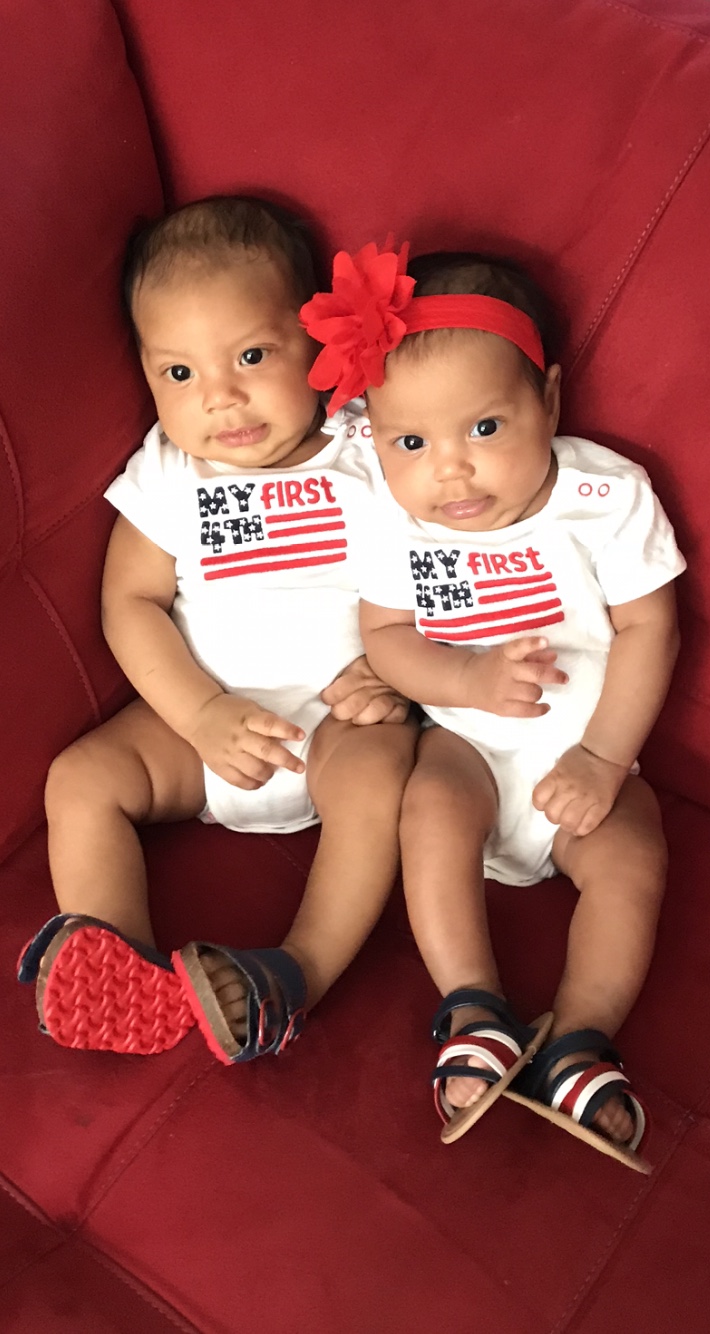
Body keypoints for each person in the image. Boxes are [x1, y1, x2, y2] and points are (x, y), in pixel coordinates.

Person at [299, 240, 685, 1170]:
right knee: (428, 809)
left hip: (588, 747)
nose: (452, 473)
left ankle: (580, 1039)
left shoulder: (603, 496)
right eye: (412, 443)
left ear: (547, 400)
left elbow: (651, 629)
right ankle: (474, 1007)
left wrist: (602, 758)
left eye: (484, 428)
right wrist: (467, 683)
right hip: (469, 745)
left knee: (634, 859)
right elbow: (388, 636)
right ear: (376, 438)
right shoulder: (395, 519)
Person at [18, 199, 416, 1063]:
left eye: (251, 355)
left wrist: (403, 674)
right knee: (81, 779)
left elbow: (440, 563)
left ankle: (295, 973)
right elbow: (130, 603)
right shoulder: (168, 474)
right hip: (200, 727)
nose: (220, 396)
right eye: (179, 372)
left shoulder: (370, 451)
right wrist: (199, 715)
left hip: (338, 726)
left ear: (315, 342)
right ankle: (113, 961)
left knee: (385, 777)